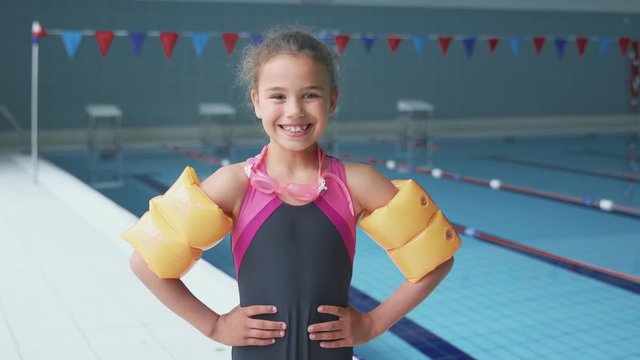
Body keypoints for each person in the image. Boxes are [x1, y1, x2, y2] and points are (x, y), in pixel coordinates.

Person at [127, 28, 457, 360]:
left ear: (332, 100)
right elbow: (146, 262)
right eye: (278, 96)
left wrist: (373, 324)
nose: (295, 111)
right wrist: (213, 325)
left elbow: (437, 258)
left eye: (310, 95)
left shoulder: (357, 183)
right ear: (257, 102)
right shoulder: (234, 184)